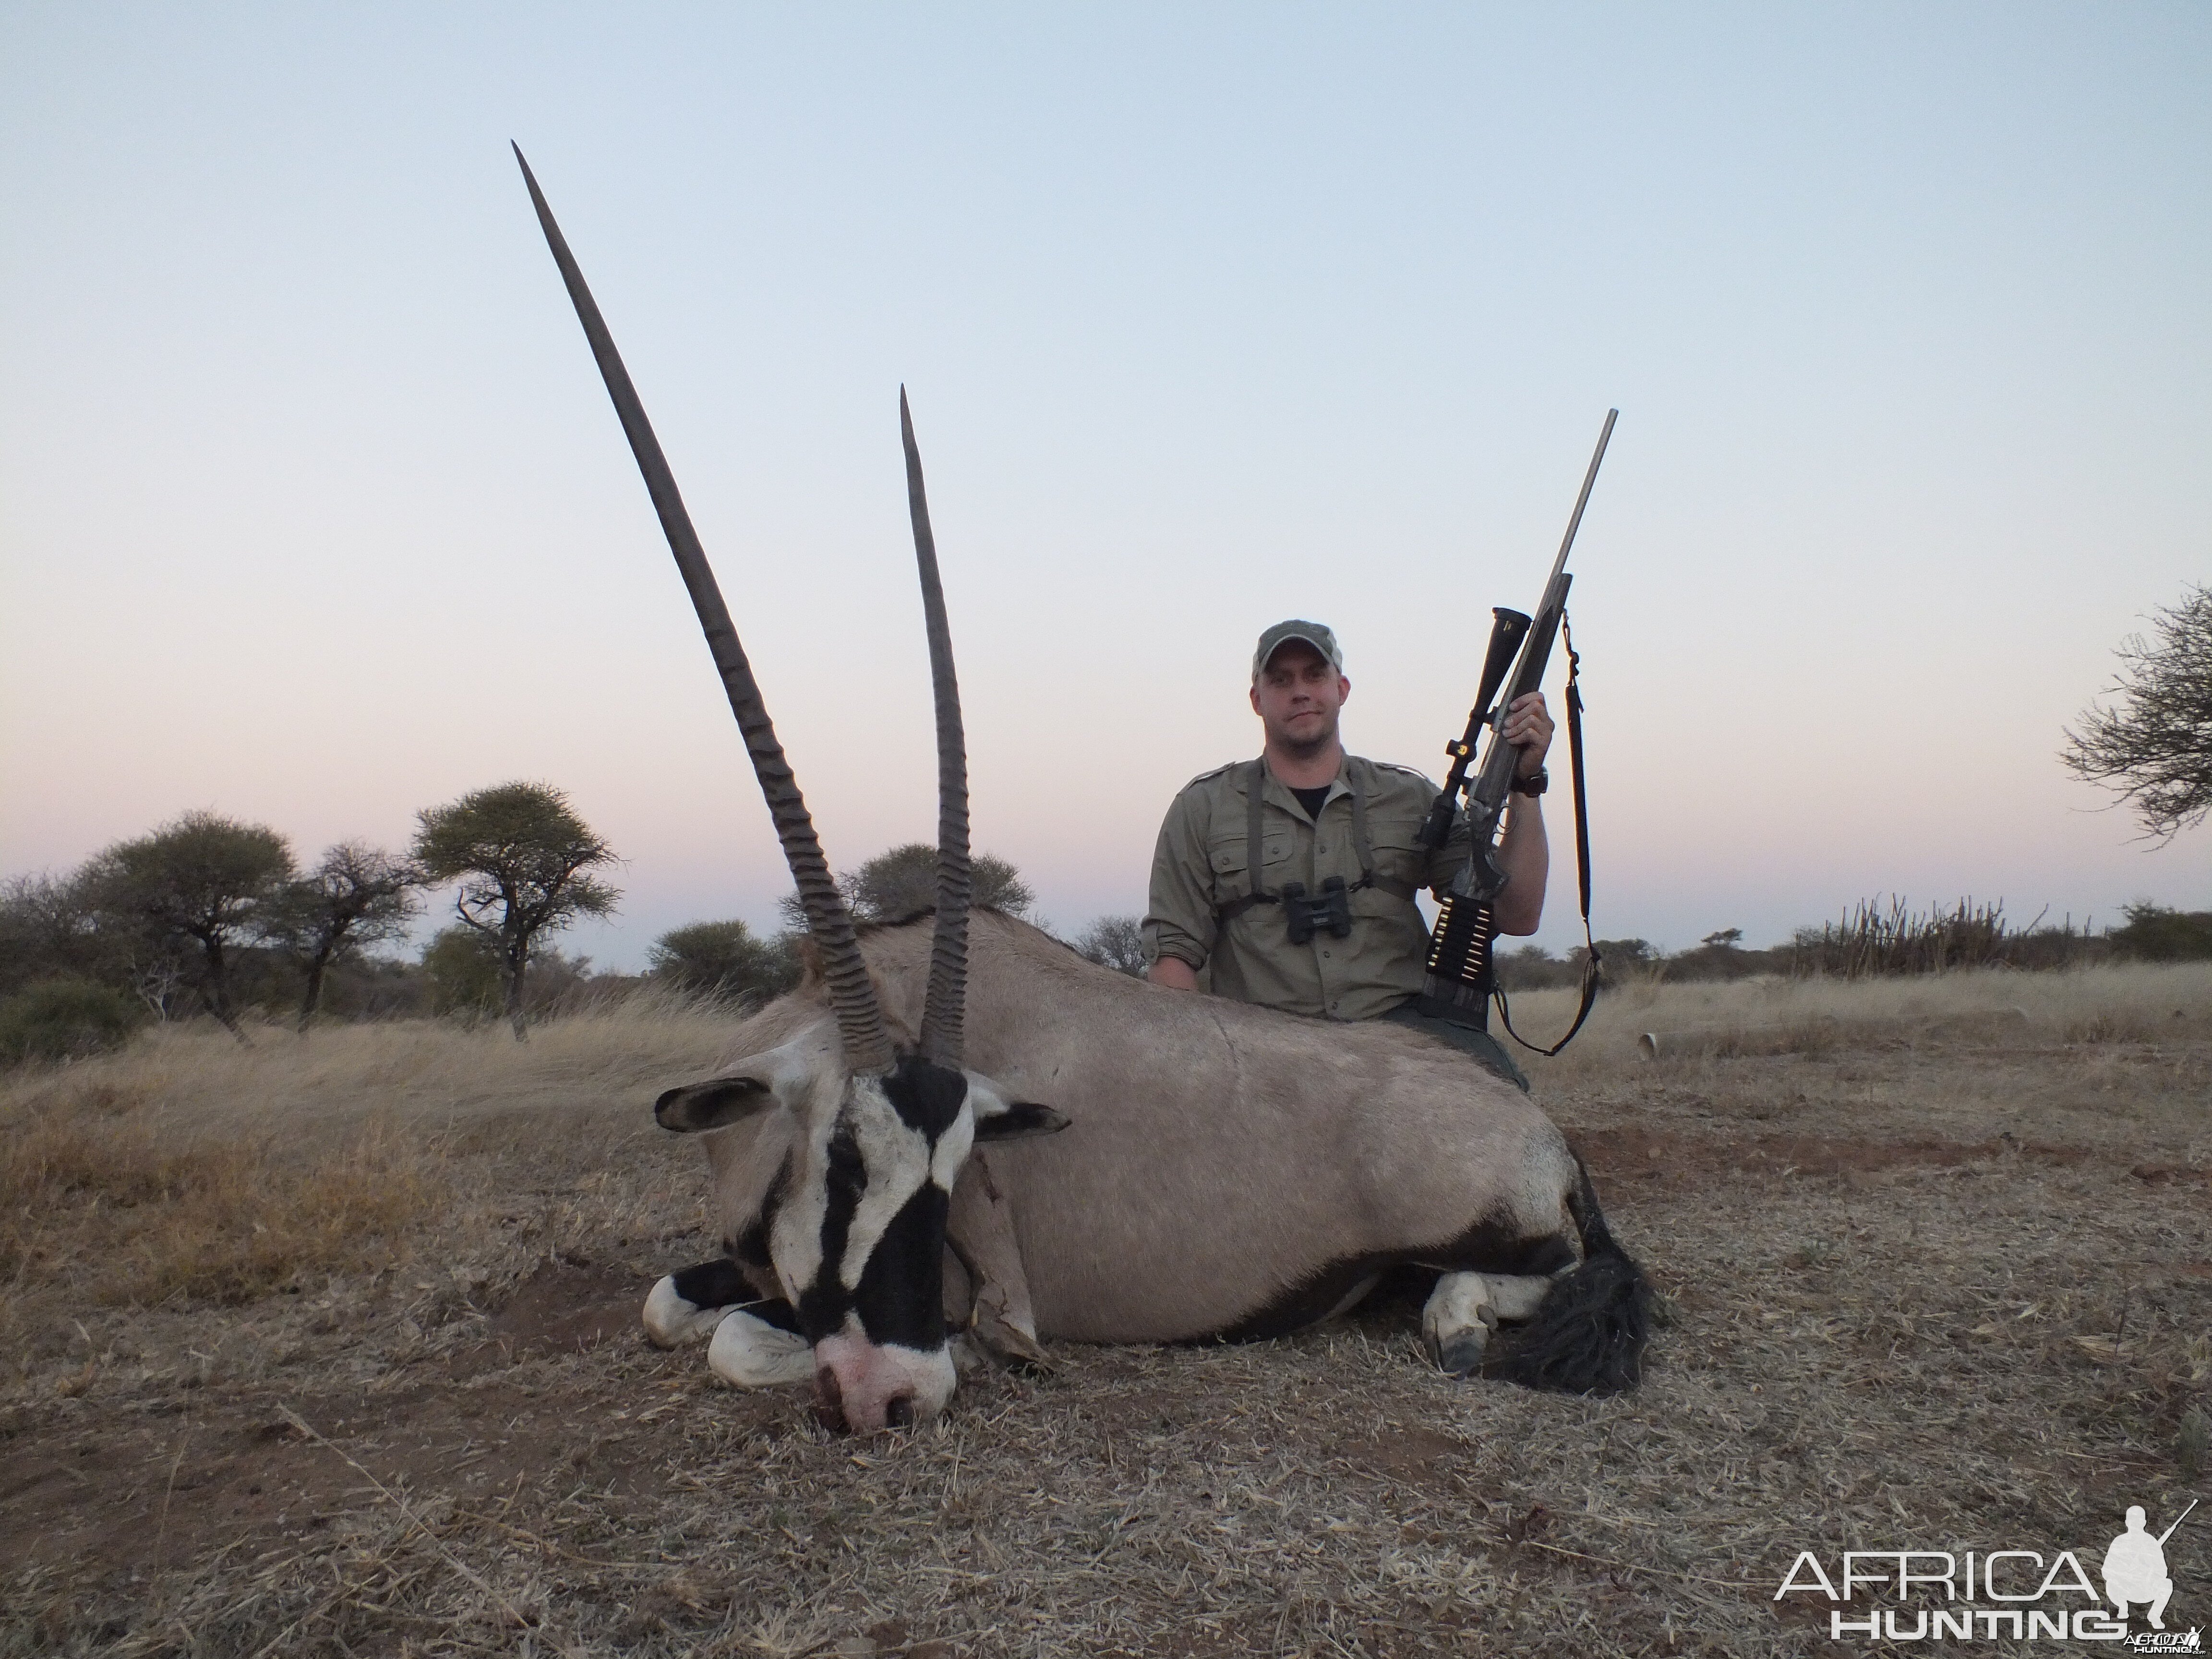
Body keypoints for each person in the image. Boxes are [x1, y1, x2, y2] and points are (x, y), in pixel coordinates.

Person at [1142, 619, 1552, 1088]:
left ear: (1341, 688)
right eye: (1281, 680)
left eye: (1315, 676)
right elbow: (1173, 957)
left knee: (1502, 1103)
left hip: (1402, 1052)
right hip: (1262, 1060)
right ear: (1257, 700)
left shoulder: (1413, 798)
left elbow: (1518, 915)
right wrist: (1201, 1069)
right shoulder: (1202, 809)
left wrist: (1525, 784)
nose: (1300, 692)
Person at [2102, 1506, 2175, 1629]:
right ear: (2127, 1522)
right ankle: (2123, 1607)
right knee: (2111, 1584)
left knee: (2167, 1584)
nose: (2135, 1523)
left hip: (2146, 1589)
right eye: (2132, 1520)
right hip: (2125, 1589)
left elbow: (2163, 1571)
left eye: (2139, 1520)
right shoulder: (2119, 1542)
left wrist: (2147, 1571)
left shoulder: (2151, 1542)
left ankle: (2155, 1616)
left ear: (2144, 1523)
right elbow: (2107, 1571)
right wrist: (2125, 1573)